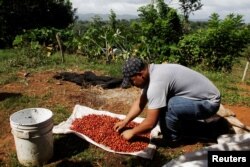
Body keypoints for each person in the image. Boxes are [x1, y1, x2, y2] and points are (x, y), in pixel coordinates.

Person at [114, 57, 221, 147]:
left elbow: (151, 123)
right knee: (163, 102)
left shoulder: (157, 83)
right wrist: (125, 121)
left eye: (132, 81)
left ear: (140, 74)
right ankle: (184, 125)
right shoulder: (153, 72)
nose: (133, 84)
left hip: (208, 103)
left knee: (169, 106)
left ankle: (172, 140)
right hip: (201, 98)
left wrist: (132, 132)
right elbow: (141, 102)